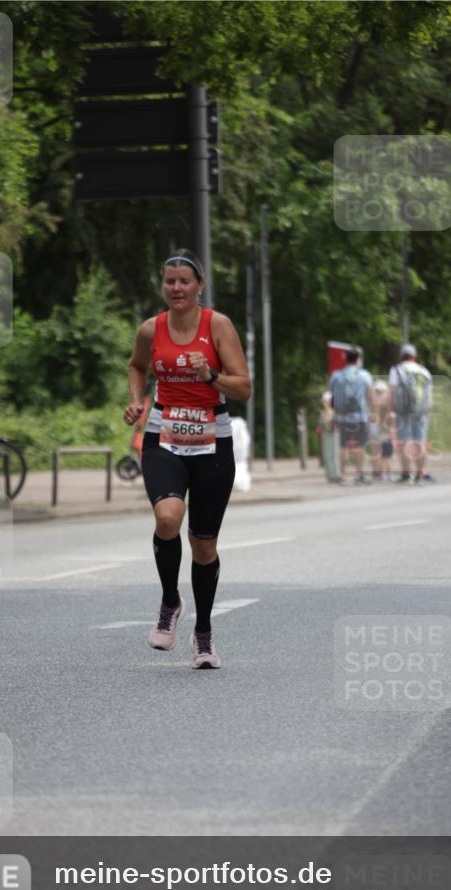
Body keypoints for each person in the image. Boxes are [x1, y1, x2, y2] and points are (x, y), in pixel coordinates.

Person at [124, 250, 251, 669]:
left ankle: (204, 634)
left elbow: (243, 388)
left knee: (203, 545)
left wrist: (210, 376)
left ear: (199, 286)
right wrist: (137, 402)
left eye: (184, 281)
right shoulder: (150, 329)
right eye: (169, 282)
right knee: (166, 519)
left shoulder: (218, 326)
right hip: (164, 436)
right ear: (163, 286)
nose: (176, 288)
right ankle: (169, 601)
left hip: (213, 442)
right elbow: (137, 367)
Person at [388, 344, 434, 484]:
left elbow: (392, 391)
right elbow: (429, 395)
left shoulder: (396, 370)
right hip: (421, 411)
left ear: (401, 356)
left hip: (403, 411)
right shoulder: (424, 371)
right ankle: (420, 473)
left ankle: (406, 474)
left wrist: (391, 411)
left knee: (404, 442)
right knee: (420, 442)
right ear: (414, 356)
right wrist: (429, 413)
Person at [329, 348, 375, 484]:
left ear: (346, 359)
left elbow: (333, 395)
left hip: (341, 416)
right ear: (358, 359)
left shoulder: (336, 376)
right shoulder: (364, 375)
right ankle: (359, 475)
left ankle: (341, 475)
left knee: (343, 445)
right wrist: (372, 413)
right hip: (359, 416)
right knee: (360, 446)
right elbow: (370, 395)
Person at [370, 379, 394, 480]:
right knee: (386, 455)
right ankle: (388, 474)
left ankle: (377, 472)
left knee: (376, 452)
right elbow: (390, 419)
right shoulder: (387, 402)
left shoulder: (372, 400)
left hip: (374, 427)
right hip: (384, 430)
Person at [317, 390, 342, 483]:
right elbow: (327, 424)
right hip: (328, 435)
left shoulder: (330, 411)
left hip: (332, 434)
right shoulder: (326, 412)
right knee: (330, 455)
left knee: (333, 455)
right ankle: (333, 475)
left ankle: (335, 474)